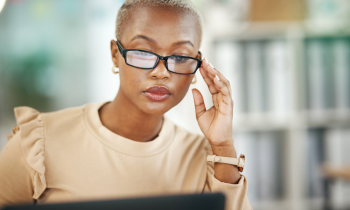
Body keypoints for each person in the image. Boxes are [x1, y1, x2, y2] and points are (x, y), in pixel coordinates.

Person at [0, 0, 252, 209]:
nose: (161, 72)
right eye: (143, 52)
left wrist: (223, 144)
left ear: (197, 64)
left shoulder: (209, 158)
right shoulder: (39, 142)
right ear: (115, 54)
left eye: (179, 56)